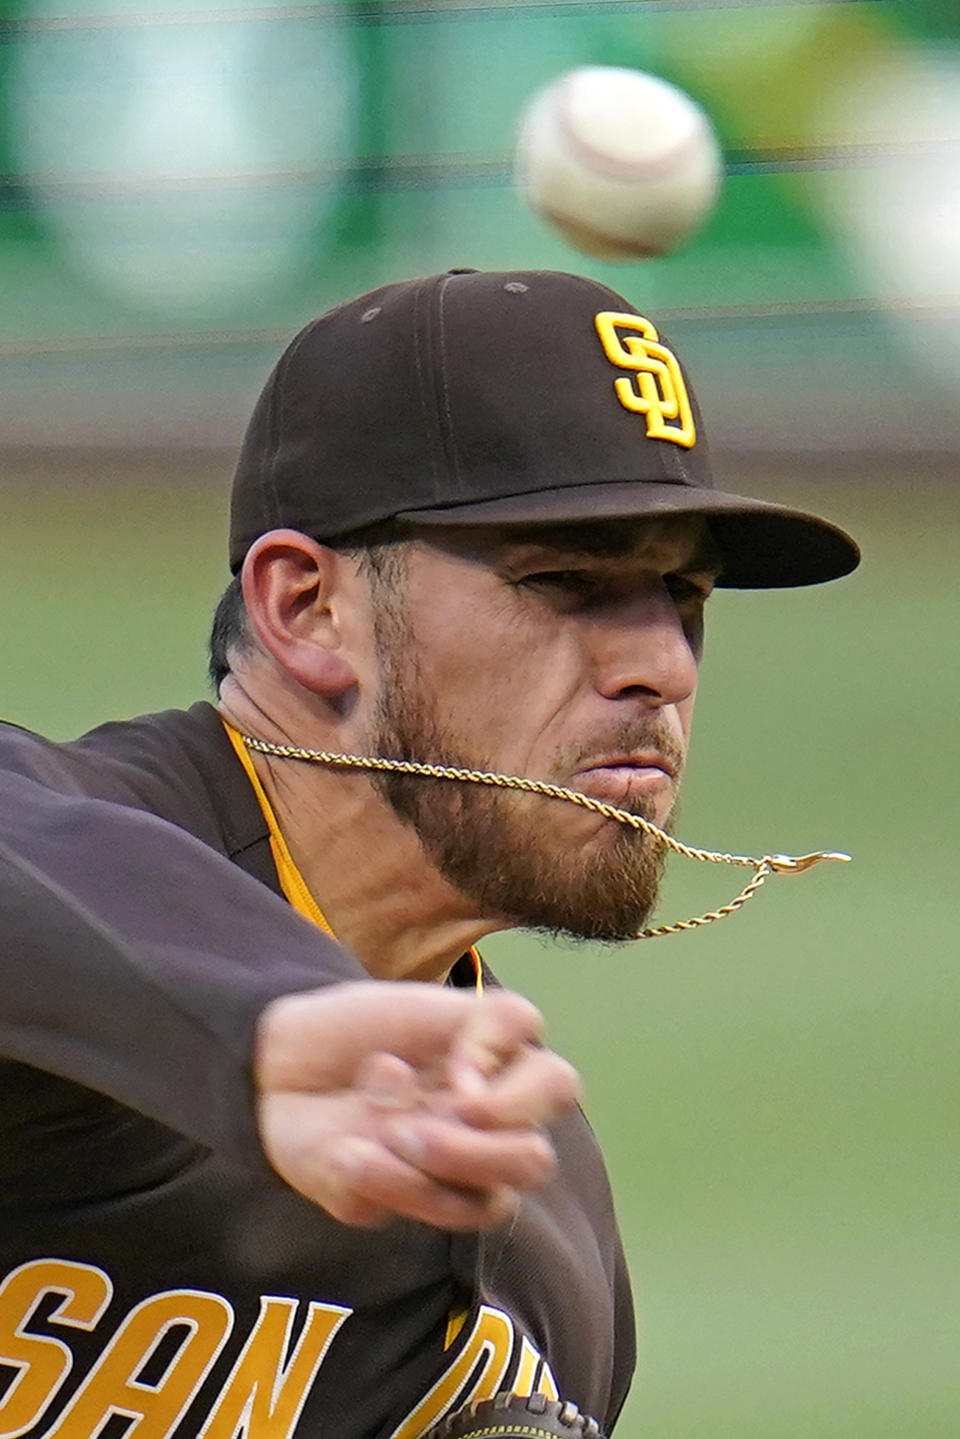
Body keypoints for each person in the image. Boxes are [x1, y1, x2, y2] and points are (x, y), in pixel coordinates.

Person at [0, 268, 859, 1439]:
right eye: (568, 580)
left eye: (683, 593)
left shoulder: (540, 1199)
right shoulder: (56, 864)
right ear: (306, 606)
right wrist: (256, 1023)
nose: (664, 662)